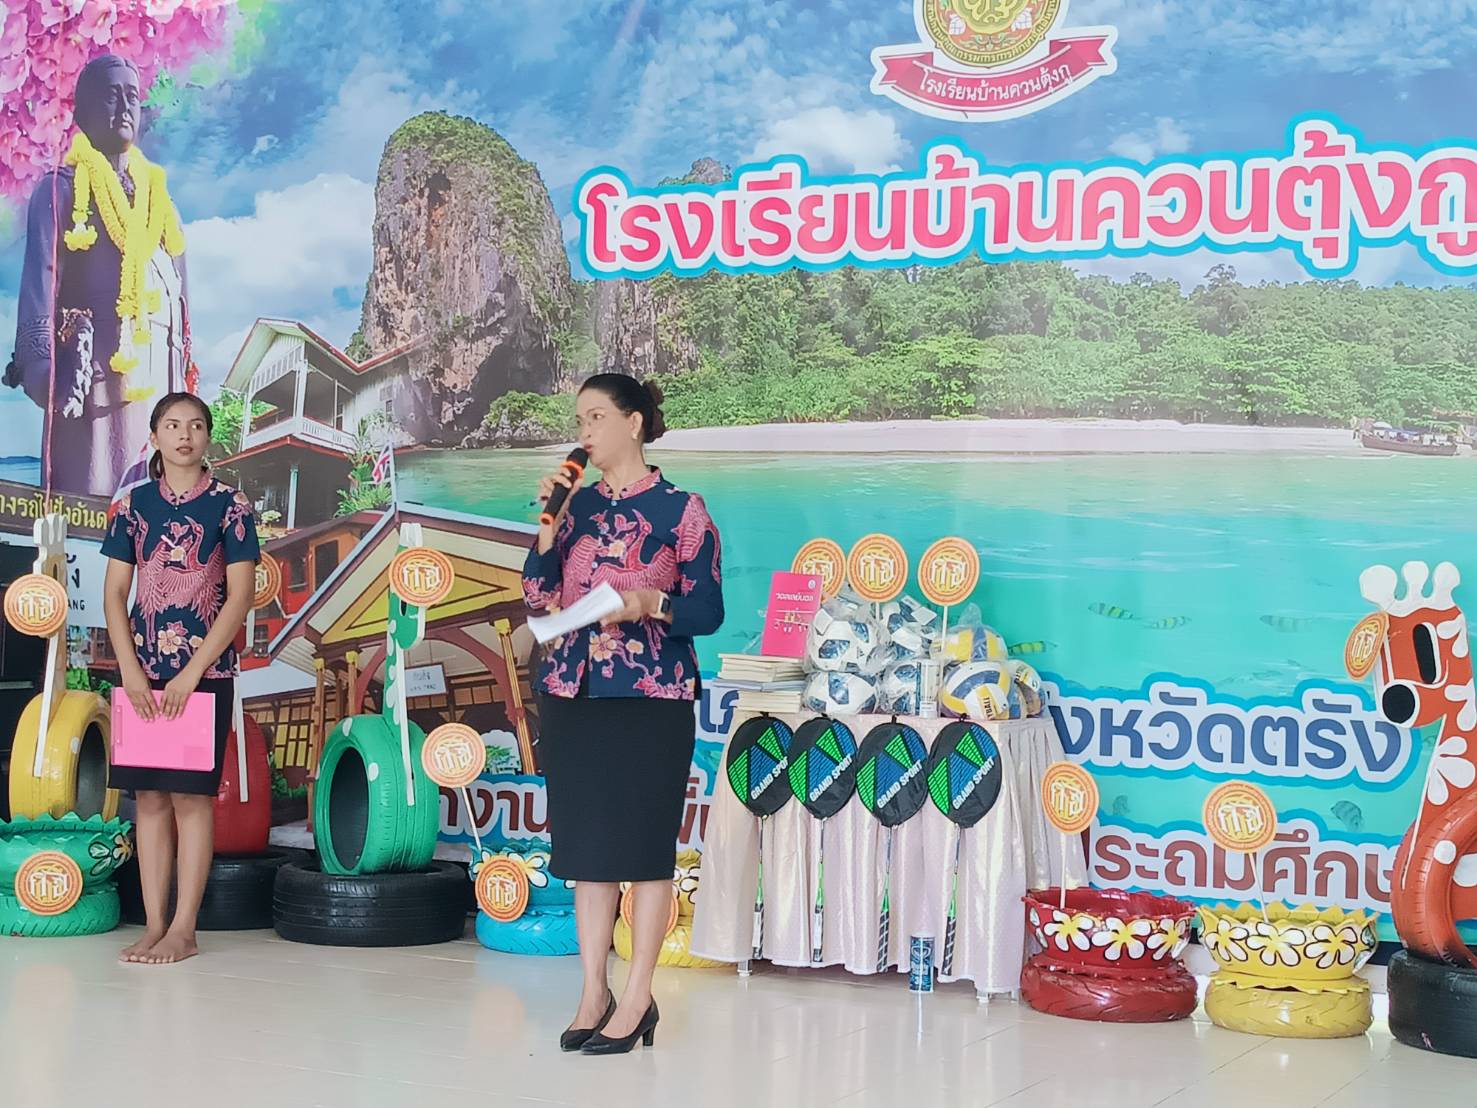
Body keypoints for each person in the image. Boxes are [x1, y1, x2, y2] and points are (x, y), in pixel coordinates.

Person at [522, 373, 723, 1055]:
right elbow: (536, 596)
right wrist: (546, 529)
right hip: (571, 690)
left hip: (651, 695)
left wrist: (650, 604)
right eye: (579, 419)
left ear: (634, 423)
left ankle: (638, 996)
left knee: (642, 847)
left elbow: (707, 610)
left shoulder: (681, 511)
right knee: (586, 849)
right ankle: (592, 992)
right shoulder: (573, 509)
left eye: (597, 417)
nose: (584, 432)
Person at [102, 392, 259, 964]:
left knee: (192, 800)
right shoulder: (132, 506)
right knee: (148, 799)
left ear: (208, 437)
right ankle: (153, 925)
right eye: (172, 425)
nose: (184, 435)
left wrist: (192, 672)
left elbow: (239, 597)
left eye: (195, 425)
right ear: (155, 437)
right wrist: (129, 669)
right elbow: (115, 593)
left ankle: (184, 929)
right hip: (141, 676)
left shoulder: (231, 506)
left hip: (205, 673)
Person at [5, 54, 191, 497]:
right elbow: (39, 289)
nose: (124, 107)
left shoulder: (164, 210)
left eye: (132, 97)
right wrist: (43, 369)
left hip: (160, 391)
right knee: (93, 503)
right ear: (82, 111)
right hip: (93, 392)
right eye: (111, 96)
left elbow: (183, 314)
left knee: (159, 509)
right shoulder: (61, 190)